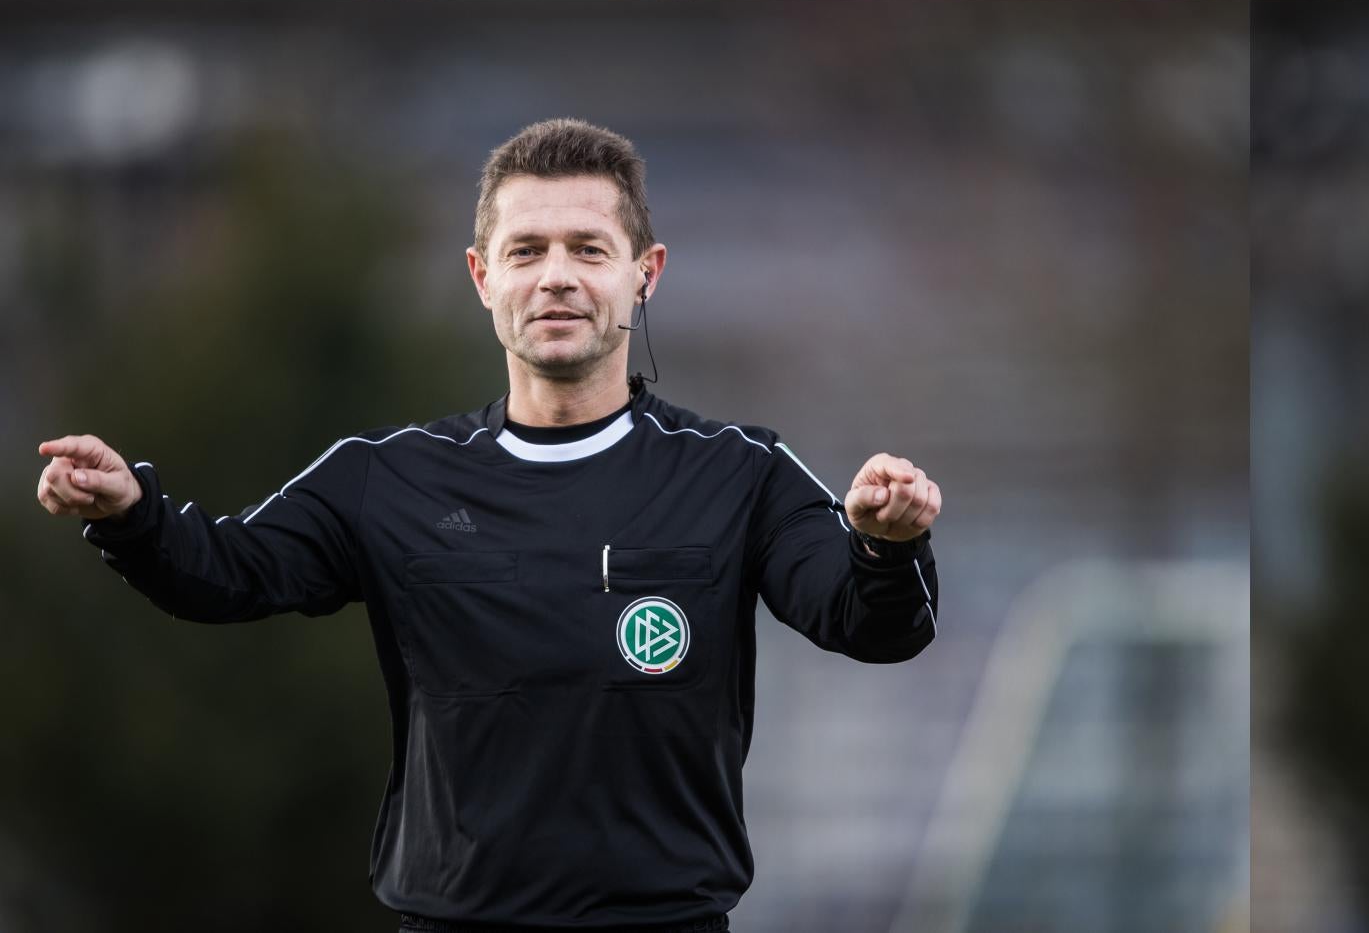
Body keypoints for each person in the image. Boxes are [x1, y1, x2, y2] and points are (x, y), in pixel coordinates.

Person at [35, 117, 936, 932]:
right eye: (526, 249)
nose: (557, 276)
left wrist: (887, 544)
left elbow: (869, 621)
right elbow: (227, 571)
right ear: (482, 276)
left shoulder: (740, 472)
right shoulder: (385, 477)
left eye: (589, 248)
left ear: (644, 273)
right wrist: (132, 514)